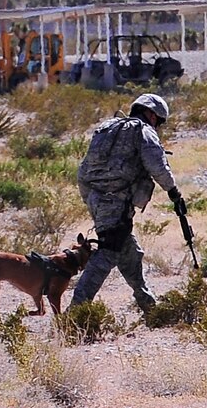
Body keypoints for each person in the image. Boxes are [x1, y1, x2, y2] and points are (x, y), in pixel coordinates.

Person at [71, 93, 184, 311]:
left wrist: (92, 201)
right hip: (117, 202)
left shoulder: (107, 127)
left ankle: (150, 306)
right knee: (108, 252)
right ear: (151, 114)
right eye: (158, 121)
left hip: (96, 198)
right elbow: (157, 166)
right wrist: (173, 192)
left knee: (130, 254)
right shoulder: (143, 131)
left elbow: (83, 170)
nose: (157, 126)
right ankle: (76, 311)